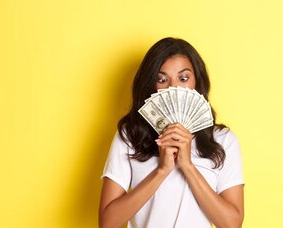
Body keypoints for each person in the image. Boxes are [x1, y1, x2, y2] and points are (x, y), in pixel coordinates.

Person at [98, 37, 245, 228]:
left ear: (197, 82)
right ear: (151, 85)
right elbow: (107, 223)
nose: (174, 88)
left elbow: (232, 224)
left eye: (183, 78)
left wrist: (188, 166)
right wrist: (162, 170)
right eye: (162, 79)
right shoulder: (130, 137)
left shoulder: (223, 140)